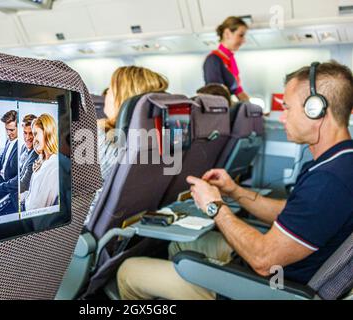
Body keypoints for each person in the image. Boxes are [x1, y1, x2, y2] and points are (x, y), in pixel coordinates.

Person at [117, 61, 353, 300]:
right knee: (177, 247)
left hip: (263, 288)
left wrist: (214, 206)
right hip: (276, 274)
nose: (282, 118)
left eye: (288, 108)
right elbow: (287, 211)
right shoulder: (339, 162)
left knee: (128, 272)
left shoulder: (329, 181)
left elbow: (263, 259)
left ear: (316, 110)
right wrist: (234, 190)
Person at [85, 66, 169, 223]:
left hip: (83, 229)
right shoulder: (154, 142)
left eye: (110, 88)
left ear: (122, 97)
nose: (107, 93)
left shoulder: (100, 139)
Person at [203, 16, 250, 102]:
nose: (244, 40)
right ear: (227, 33)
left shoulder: (230, 60)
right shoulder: (213, 60)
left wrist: (254, 109)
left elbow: (239, 91)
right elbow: (217, 96)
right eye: (241, 35)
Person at [21, 113, 59, 211]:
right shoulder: (43, 159)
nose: (33, 140)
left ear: (47, 133)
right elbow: (33, 192)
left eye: (35, 134)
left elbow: (36, 207)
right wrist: (23, 197)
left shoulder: (53, 165)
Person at [19, 114, 39, 193]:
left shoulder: (36, 154)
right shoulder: (24, 147)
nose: (27, 138)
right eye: (25, 133)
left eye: (31, 133)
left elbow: (24, 185)